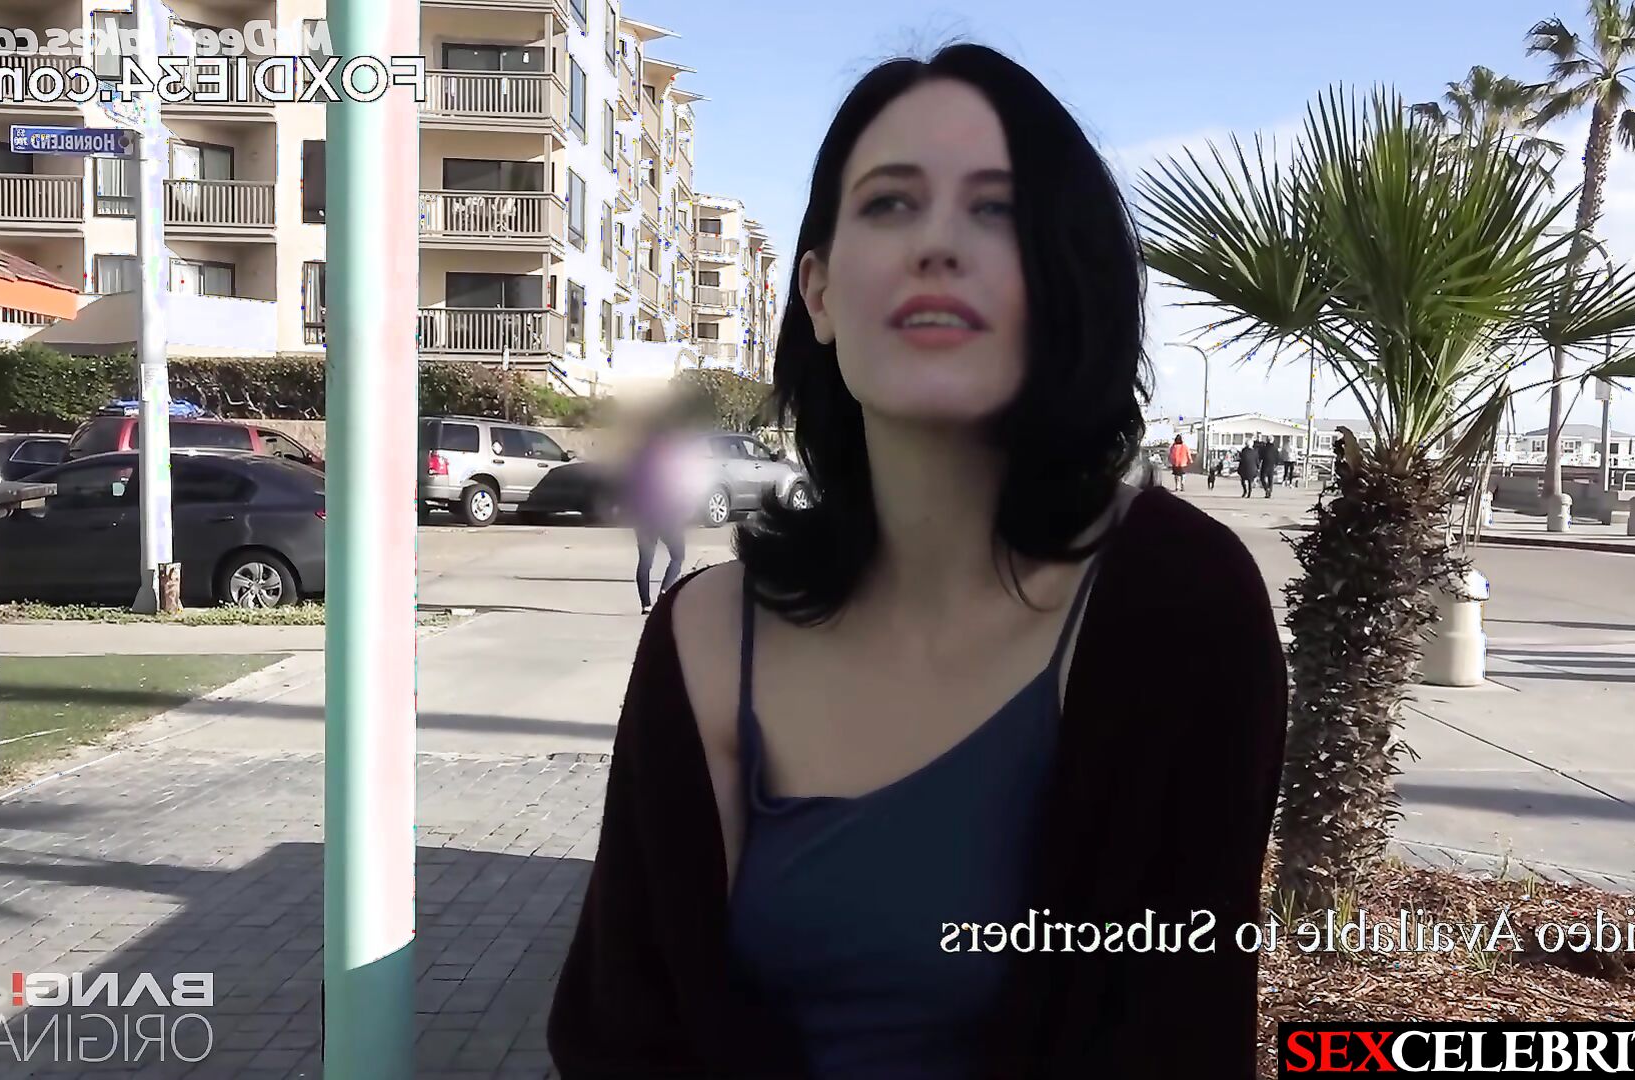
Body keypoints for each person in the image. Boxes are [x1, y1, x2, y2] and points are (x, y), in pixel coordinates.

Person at [549, 43, 1286, 1079]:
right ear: (817, 292)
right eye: (891, 203)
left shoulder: (1177, 606)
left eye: (996, 210)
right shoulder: (703, 639)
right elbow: (623, 1038)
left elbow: (1180, 1030)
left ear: (1059, 284)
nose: (938, 242)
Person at [621, 407, 696, 613]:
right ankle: (665, 592)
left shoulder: (637, 457)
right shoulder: (671, 456)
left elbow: (628, 486)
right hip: (666, 515)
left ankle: (646, 604)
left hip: (643, 518)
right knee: (678, 555)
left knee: (645, 561)